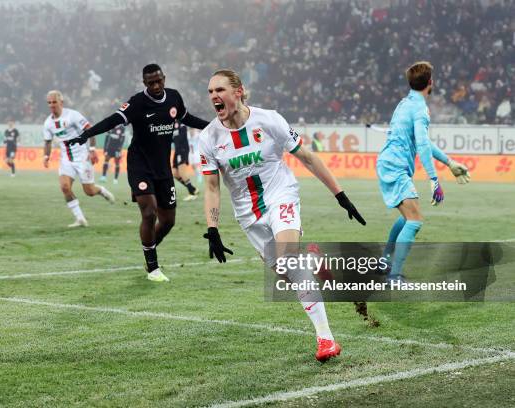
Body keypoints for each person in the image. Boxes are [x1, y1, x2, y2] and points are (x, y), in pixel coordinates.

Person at [198, 69, 366, 362]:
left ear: (238, 92)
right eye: (210, 92)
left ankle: (326, 339)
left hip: (280, 197)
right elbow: (212, 187)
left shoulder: (269, 120)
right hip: (248, 215)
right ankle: (313, 261)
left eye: (220, 90)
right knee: (287, 273)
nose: (214, 96)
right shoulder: (209, 137)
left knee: (289, 259)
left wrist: (340, 195)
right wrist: (212, 228)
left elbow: (308, 158)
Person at [66, 64, 210, 282]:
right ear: (144, 83)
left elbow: (187, 118)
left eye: (159, 80)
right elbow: (112, 120)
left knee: (168, 221)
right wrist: (86, 135)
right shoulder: (136, 103)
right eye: (150, 82)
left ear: (164, 78)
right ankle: (153, 267)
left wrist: (214, 127)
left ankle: (149, 249)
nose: (156, 85)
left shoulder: (173, 98)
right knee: (149, 212)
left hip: (162, 168)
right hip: (139, 165)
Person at [376, 61, 470, 283]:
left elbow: (424, 141)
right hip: (396, 166)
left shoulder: (405, 103)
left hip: (388, 162)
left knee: (408, 215)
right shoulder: (420, 109)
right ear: (431, 82)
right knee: (415, 219)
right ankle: (394, 275)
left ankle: (385, 260)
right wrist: (434, 178)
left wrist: (449, 162)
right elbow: (423, 145)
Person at [42, 90, 115, 227]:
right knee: (64, 187)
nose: (52, 105)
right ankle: (80, 219)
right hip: (66, 159)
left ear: (61, 102)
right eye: (49, 103)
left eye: (54, 102)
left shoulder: (72, 115)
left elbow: (90, 131)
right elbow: (47, 141)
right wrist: (46, 156)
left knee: (89, 191)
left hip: (83, 157)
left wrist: (92, 150)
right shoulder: (48, 123)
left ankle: (101, 190)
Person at [171, 121, 199, 200]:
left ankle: (192, 193)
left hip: (182, 150)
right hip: (177, 151)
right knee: (175, 173)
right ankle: (193, 188)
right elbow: (173, 139)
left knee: (182, 172)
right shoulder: (171, 125)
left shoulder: (181, 124)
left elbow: (182, 138)